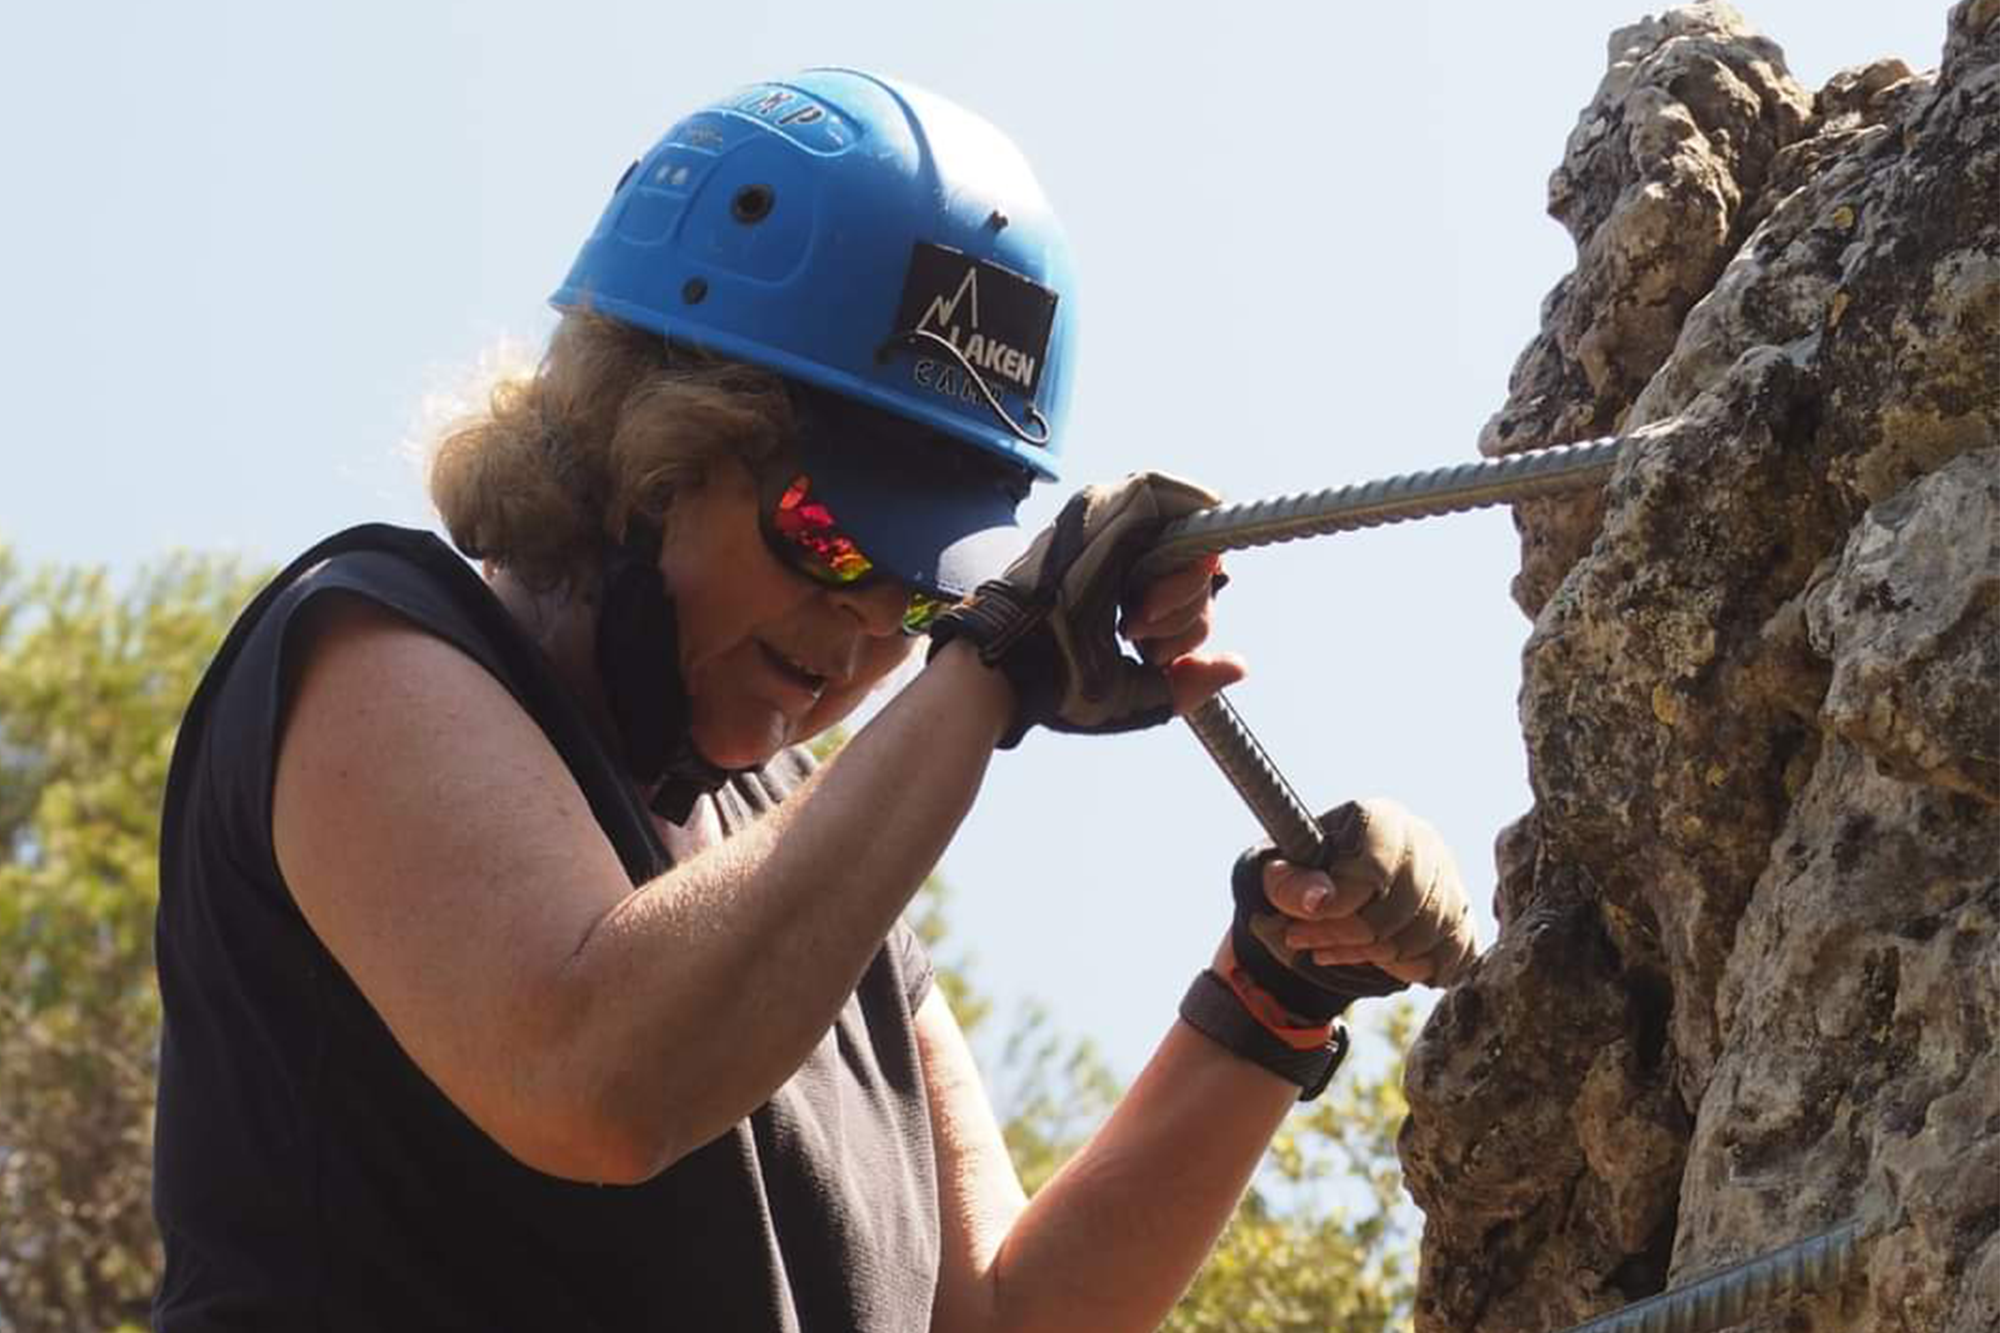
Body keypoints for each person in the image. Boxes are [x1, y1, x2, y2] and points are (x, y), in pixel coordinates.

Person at [151, 69, 1477, 1331]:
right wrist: (997, 654)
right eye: (828, 538)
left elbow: (1004, 1315)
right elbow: (597, 1082)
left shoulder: (808, 873)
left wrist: (1270, 995)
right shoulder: (371, 647)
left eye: (920, 593)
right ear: (641, 444)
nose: (863, 631)